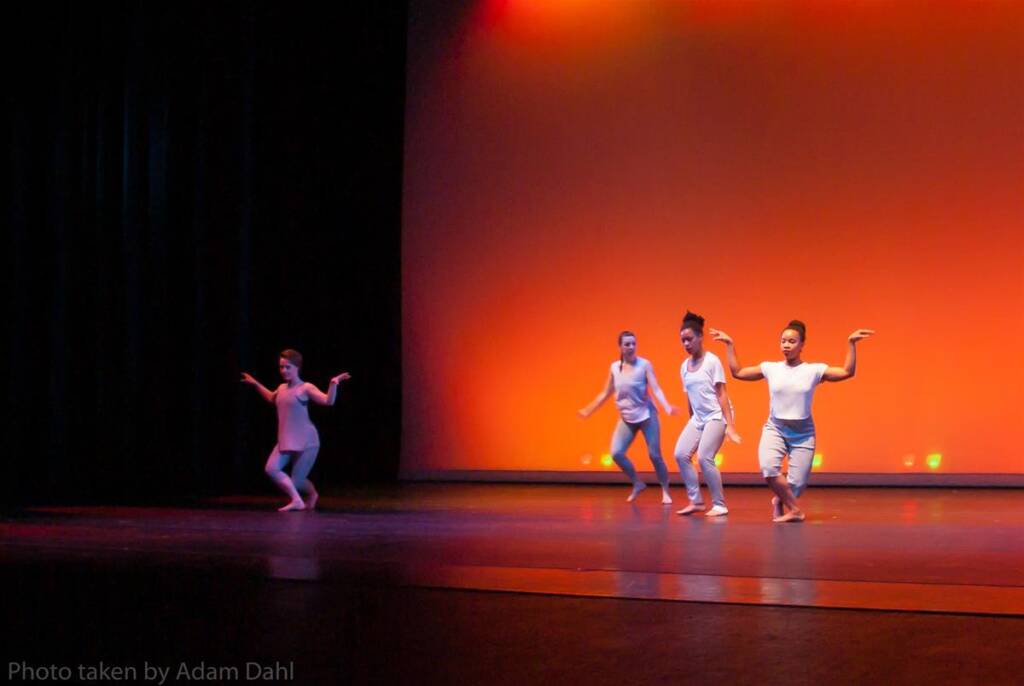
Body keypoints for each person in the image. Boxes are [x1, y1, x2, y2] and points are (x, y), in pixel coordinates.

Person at [710, 321, 874, 522]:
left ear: (802, 344)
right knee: (769, 468)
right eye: (783, 341)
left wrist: (851, 343)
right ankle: (795, 511)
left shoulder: (814, 370)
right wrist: (730, 345)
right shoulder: (770, 368)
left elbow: (847, 372)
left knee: (796, 484)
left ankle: (780, 500)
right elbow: (739, 373)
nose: (786, 345)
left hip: (803, 432)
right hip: (775, 428)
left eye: (791, 341)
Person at [241, 349, 351, 511]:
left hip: (307, 441)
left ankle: (311, 495)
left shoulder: (305, 388)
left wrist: (333, 384)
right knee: (271, 469)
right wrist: (256, 383)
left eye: (288, 367)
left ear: (297, 367)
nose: (284, 370)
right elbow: (271, 397)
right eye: (281, 367)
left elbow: (328, 401)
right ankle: (297, 501)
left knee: (297, 481)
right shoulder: (281, 388)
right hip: (285, 440)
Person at [579, 331, 678, 504]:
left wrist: (667, 407)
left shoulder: (644, 365)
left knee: (655, 455)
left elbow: (656, 388)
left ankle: (665, 490)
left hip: (647, 416)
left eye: (634, 343)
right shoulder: (614, 368)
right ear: (620, 347)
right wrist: (589, 410)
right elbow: (605, 393)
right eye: (627, 344)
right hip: (626, 418)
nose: (631, 347)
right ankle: (637, 483)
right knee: (616, 453)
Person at [673, 311, 741, 517]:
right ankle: (696, 501)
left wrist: (730, 426)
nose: (686, 344)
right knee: (680, 454)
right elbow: (690, 398)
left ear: (700, 337)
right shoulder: (684, 367)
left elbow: (722, 394)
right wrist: (691, 422)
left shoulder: (712, 361)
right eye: (683, 340)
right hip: (699, 418)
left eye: (689, 339)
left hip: (716, 415)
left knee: (704, 457)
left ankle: (719, 504)